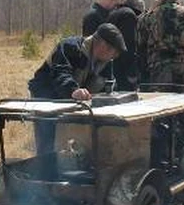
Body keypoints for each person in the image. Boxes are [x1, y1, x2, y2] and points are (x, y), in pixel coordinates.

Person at [27, 23, 126, 155]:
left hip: (73, 100)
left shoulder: (106, 63)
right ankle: (46, 170)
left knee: (77, 139)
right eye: (113, 52)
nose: (113, 57)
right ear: (103, 45)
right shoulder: (70, 47)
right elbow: (60, 73)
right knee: (49, 138)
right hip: (47, 95)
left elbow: (108, 85)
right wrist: (73, 90)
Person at [106, 0, 145, 92]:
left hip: (111, 61)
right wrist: (132, 72)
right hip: (123, 65)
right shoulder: (129, 15)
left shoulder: (114, 13)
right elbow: (129, 44)